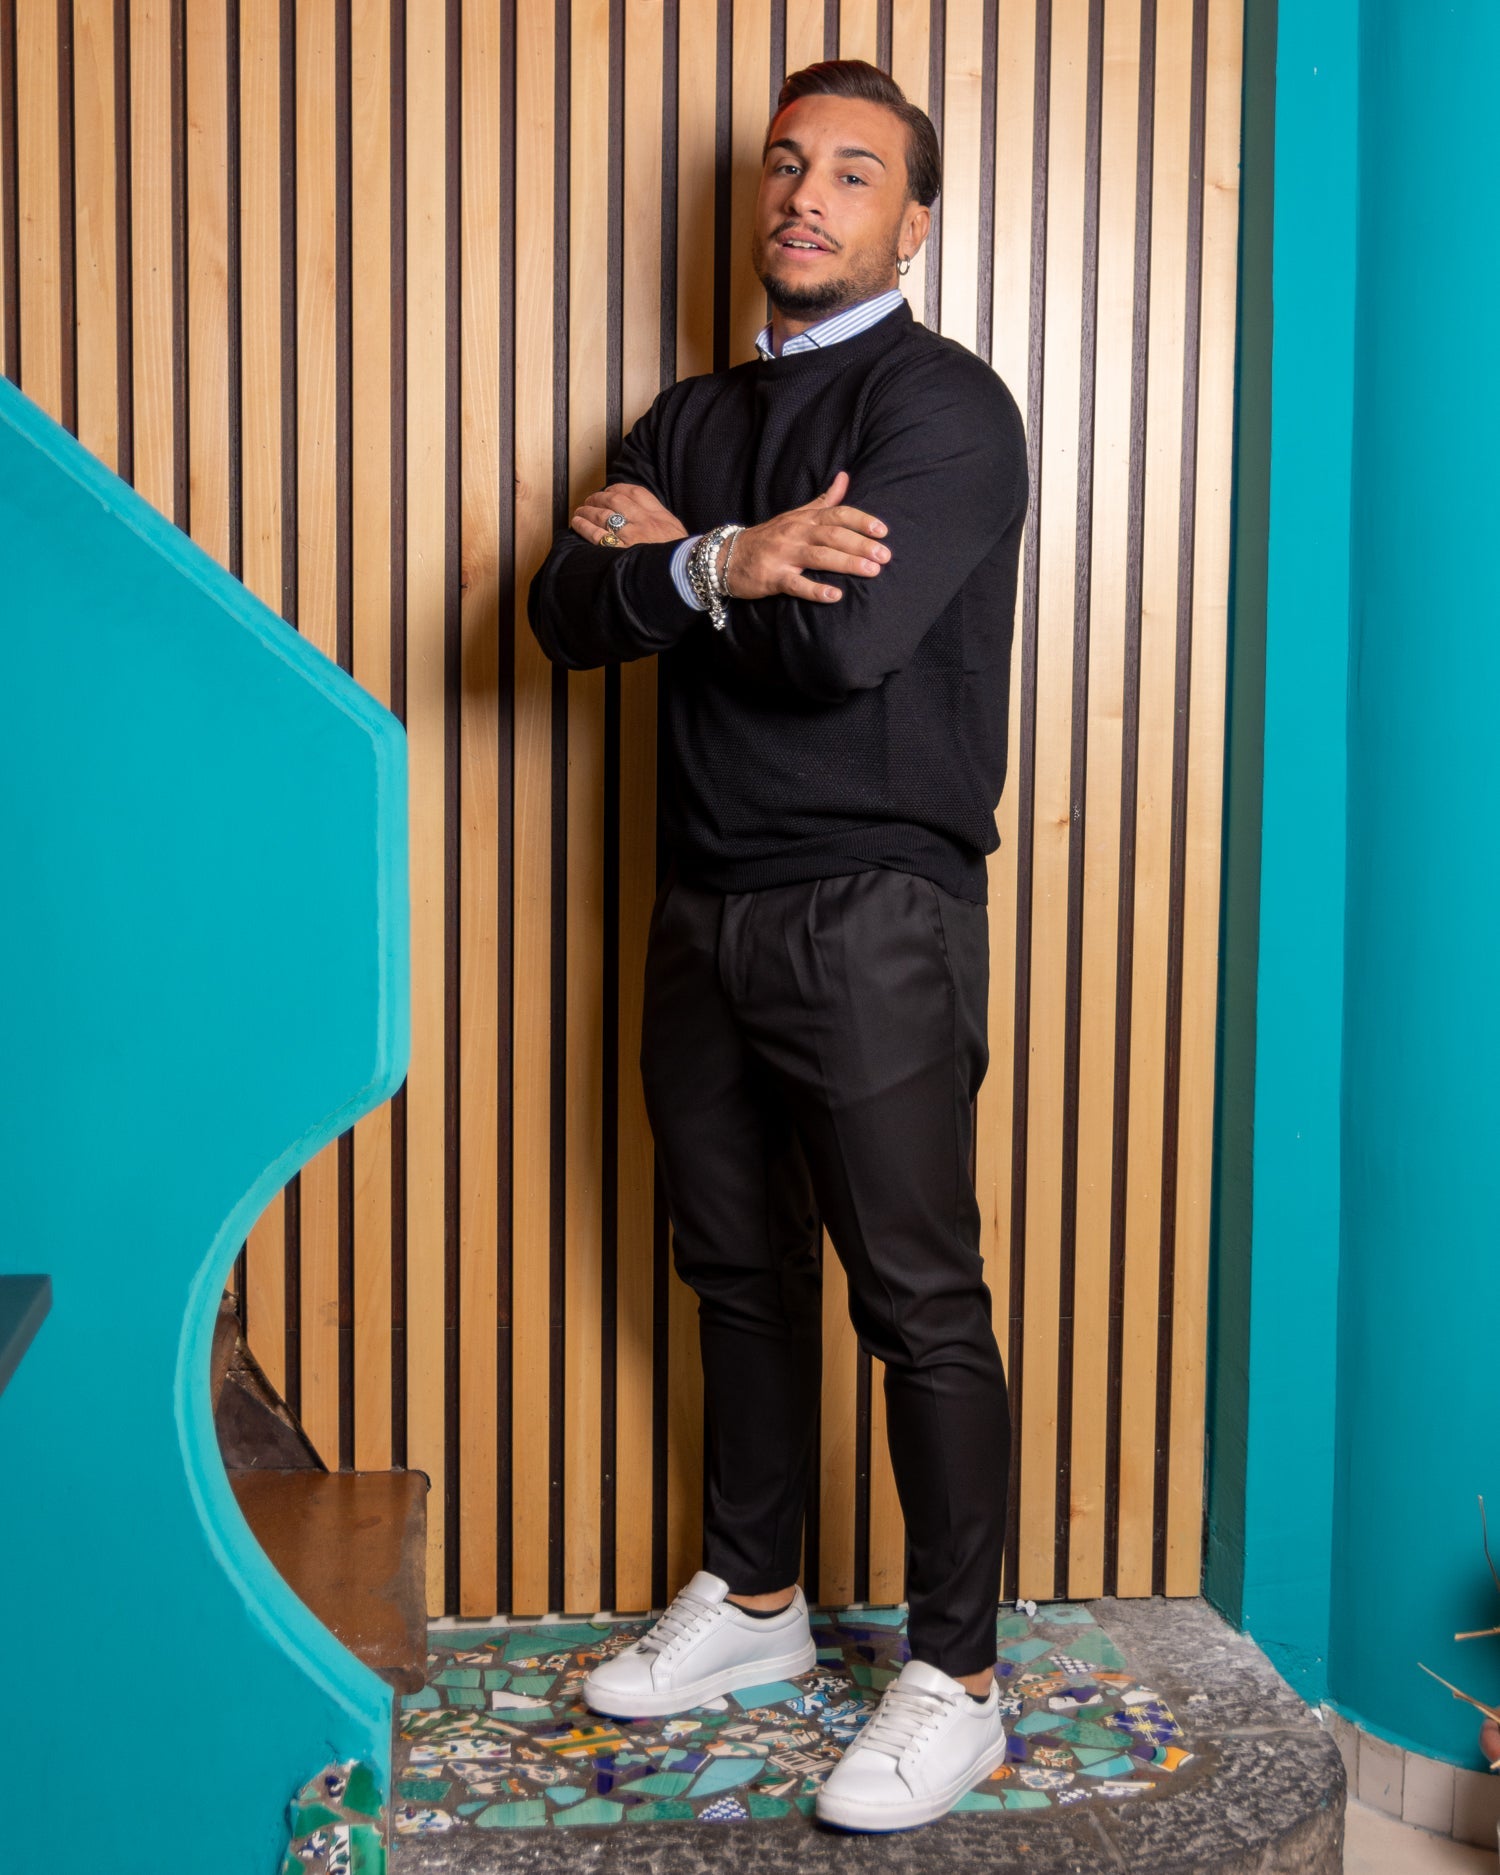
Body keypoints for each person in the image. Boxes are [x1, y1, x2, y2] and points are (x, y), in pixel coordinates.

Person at [526, 56, 1028, 1833]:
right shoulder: (684, 418)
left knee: (917, 1300)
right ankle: (756, 1600)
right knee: (734, 1272)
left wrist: (689, 566)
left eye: (856, 173)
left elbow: (845, 650)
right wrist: (730, 559)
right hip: (699, 903)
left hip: (874, 908)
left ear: (914, 220)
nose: (808, 196)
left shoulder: (944, 408)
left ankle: (960, 1678)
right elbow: (562, 610)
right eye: (787, 164)